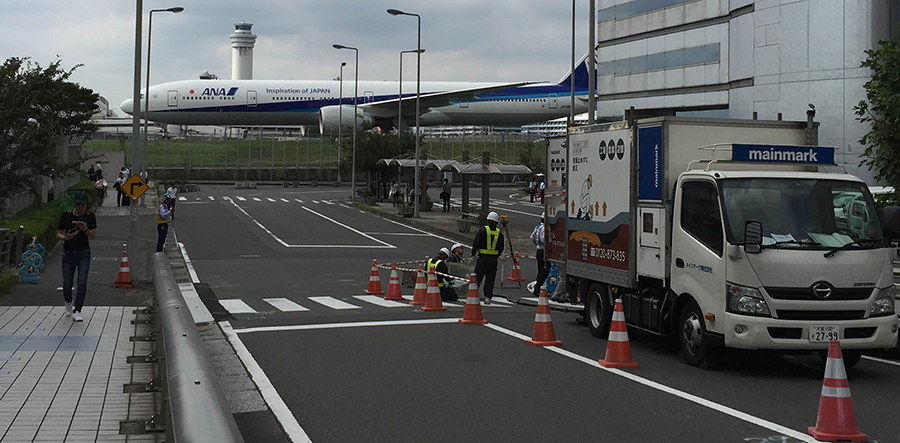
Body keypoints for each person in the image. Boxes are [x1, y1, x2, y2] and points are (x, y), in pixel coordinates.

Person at [56, 191, 96, 322]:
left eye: (83, 204)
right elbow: (58, 233)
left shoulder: (90, 216)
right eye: (78, 204)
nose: (80, 207)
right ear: (75, 204)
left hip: (84, 252)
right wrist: (66, 238)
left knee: (82, 281)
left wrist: (84, 228)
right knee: (67, 283)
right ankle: (68, 302)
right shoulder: (66, 216)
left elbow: (92, 235)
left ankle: (77, 309)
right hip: (68, 252)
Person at [471, 211, 504, 304]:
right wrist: (496, 255)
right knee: (490, 278)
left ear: (488, 220)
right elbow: (501, 247)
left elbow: (476, 242)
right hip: (493, 259)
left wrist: (473, 254)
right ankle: (487, 297)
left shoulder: (482, 230)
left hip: (482, 258)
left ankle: (473, 294)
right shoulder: (499, 233)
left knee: (477, 277)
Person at [531, 212, 549, 297]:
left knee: (540, 270)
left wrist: (537, 245)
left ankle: (537, 287)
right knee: (545, 271)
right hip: (543, 251)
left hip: (539, 250)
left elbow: (532, 238)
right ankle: (537, 288)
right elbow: (543, 239)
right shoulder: (544, 228)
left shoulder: (537, 227)